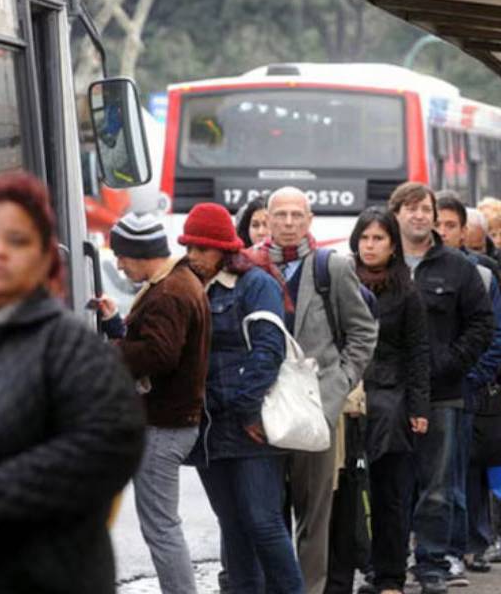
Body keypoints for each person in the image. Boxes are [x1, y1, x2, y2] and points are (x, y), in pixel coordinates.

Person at [0, 171, 145, 594]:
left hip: (46, 575)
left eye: (17, 241)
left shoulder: (70, 345)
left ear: (42, 257)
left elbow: (108, 446)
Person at [179, 202, 303, 594]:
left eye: (201, 248)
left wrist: (248, 409)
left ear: (222, 248)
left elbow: (270, 350)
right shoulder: (188, 286)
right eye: (189, 248)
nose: (194, 256)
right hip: (209, 428)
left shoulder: (255, 283)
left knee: (263, 521)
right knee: (231, 524)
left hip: (251, 425)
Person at [260, 186, 378, 594]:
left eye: (297, 215)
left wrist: (341, 381)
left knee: (316, 516)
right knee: (266, 513)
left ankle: (310, 589)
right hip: (264, 409)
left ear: (310, 220)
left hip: (317, 409)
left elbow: (363, 332)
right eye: (281, 215)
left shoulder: (332, 267)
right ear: (268, 219)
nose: (289, 223)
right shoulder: (251, 266)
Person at [388, 182, 493, 594]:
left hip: (442, 395)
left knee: (437, 484)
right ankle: (390, 564)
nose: (418, 215)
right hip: (389, 395)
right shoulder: (380, 260)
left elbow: (482, 325)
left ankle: (432, 563)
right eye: (410, 208)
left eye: (425, 209)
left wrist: (449, 364)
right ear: (395, 213)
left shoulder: (458, 267)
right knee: (390, 482)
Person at [98, 212, 211, 594]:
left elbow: (159, 355)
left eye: (122, 256)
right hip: (168, 422)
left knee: (161, 527)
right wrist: (117, 326)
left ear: (140, 252)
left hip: (165, 425)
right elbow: (152, 342)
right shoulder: (175, 282)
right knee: (160, 525)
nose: (119, 264)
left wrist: (105, 355)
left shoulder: (170, 292)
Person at [347, 207, 430, 594]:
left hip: (394, 403)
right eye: (365, 237)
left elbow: (417, 352)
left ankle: (390, 576)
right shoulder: (342, 280)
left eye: (378, 238)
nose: (370, 245)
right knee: (348, 495)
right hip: (349, 400)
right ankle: (353, 569)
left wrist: (418, 408)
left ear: (393, 246)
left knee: (390, 495)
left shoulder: (407, 291)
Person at [435, 195, 501, 577]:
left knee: (465, 472)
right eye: (437, 224)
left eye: (449, 226)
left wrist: (472, 378)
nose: (441, 232)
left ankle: (466, 545)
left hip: (467, 390)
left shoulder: (483, 274)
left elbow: (492, 336)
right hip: (424, 392)